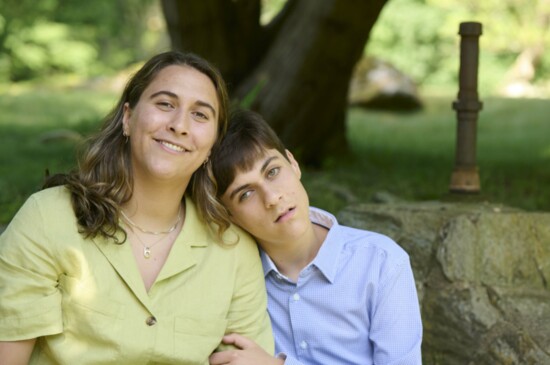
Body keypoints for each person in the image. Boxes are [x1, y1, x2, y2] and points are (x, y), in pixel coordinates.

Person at [0, 52, 273, 365]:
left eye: (200, 115)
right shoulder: (49, 218)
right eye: (165, 104)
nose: (179, 125)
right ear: (128, 118)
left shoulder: (232, 249)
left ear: (212, 144)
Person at [208, 109, 423, 365]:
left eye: (273, 172)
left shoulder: (381, 262)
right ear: (229, 215)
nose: (272, 197)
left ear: (293, 163)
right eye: (245, 194)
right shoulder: (235, 278)